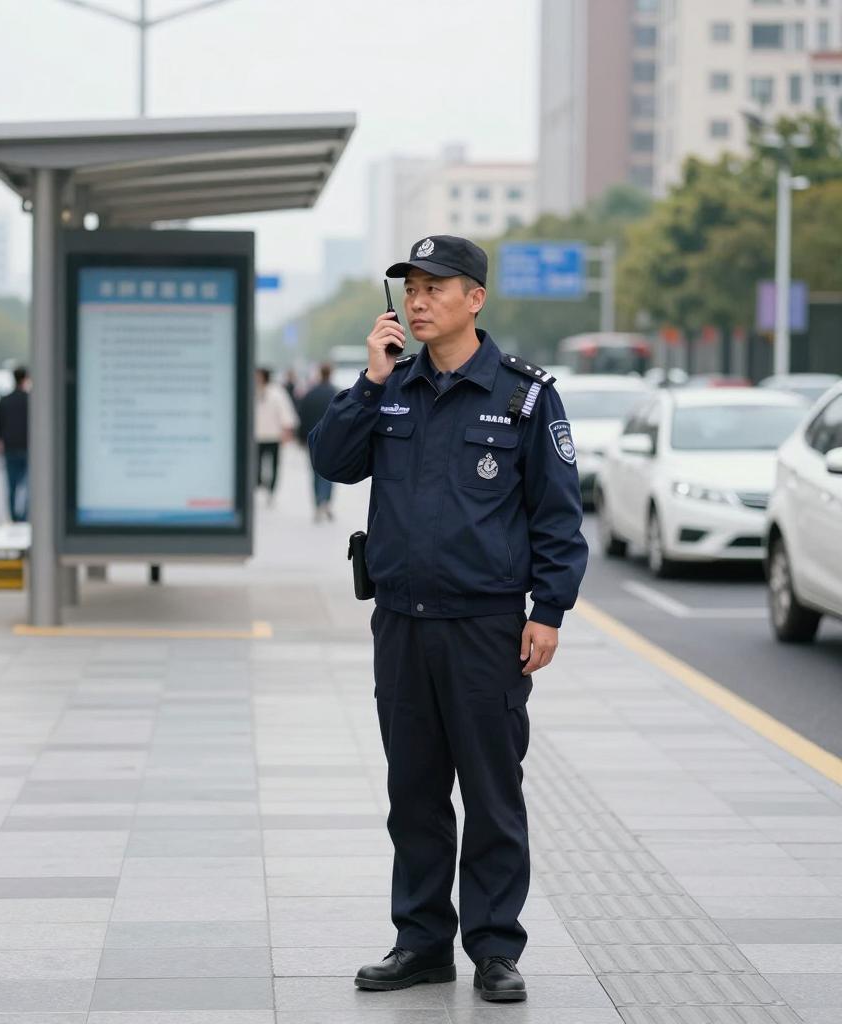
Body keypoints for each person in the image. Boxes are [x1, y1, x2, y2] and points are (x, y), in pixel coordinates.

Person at [309, 235, 588, 1003]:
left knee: (493, 793)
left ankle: (495, 948)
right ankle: (422, 941)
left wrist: (550, 611)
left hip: (485, 628)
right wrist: (367, 383)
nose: (418, 301)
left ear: (476, 299)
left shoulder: (525, 397)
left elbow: (557, 516)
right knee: (416, 793)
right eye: (411, 288)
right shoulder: (390, 387)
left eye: (436, 287)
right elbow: (331, 460)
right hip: (401, 623)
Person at [296, 363, 339, 521]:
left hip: (314, 438)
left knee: (315, 472)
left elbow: (302, 415)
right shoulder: (336, 393)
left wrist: (300, 437)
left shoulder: (310, 393)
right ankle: (326, 501)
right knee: (330, 473)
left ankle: (317, 502)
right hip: (332, 438)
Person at [254, 367, 299, 506]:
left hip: (274, 435)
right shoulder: (253, 390)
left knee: (274, 464)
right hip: (257, 436)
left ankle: (271, 491)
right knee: (256, 464)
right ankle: (259, 484)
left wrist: (287, 431)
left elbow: (286, 412)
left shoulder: (276, 392)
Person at [0, 365, 30, 523]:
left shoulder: (5, 399)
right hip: (27, 446)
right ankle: (25, 515)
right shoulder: (30, 399)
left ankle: (13, 517)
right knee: (27, 485)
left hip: (10, 446)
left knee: (12, 484)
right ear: (26, 379)